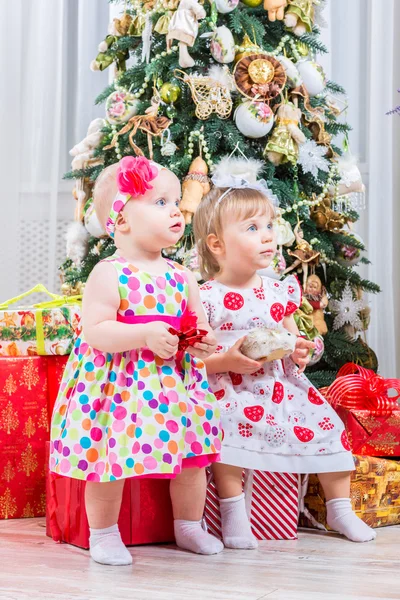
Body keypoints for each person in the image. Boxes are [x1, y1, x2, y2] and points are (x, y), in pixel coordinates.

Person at [50, 156, 223, 566]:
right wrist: (142, 335)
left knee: (191, 460)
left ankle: (189, 525)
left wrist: (202, 342)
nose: (177, 211)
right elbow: (95, 330)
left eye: (177, 201)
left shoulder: (182, 276)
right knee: (110, 461)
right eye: (161, 202)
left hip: (176, 387)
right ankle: (104, 533)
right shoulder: (110, 273)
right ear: (122, 220)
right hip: (122, 386)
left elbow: (197, 324)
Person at [193, 182, 376, 548]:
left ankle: (339, 508)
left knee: (328, 427)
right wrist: (227, 360)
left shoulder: (278, 291)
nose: (267, 237)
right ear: (217, 245)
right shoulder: (206, 296)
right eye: (252, 228)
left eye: (269, 226)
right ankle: (233, 512)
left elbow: (295, 341)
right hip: (233, 388)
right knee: (225, 428)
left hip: (280, 388)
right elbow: (197, 361)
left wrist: (300, 352)